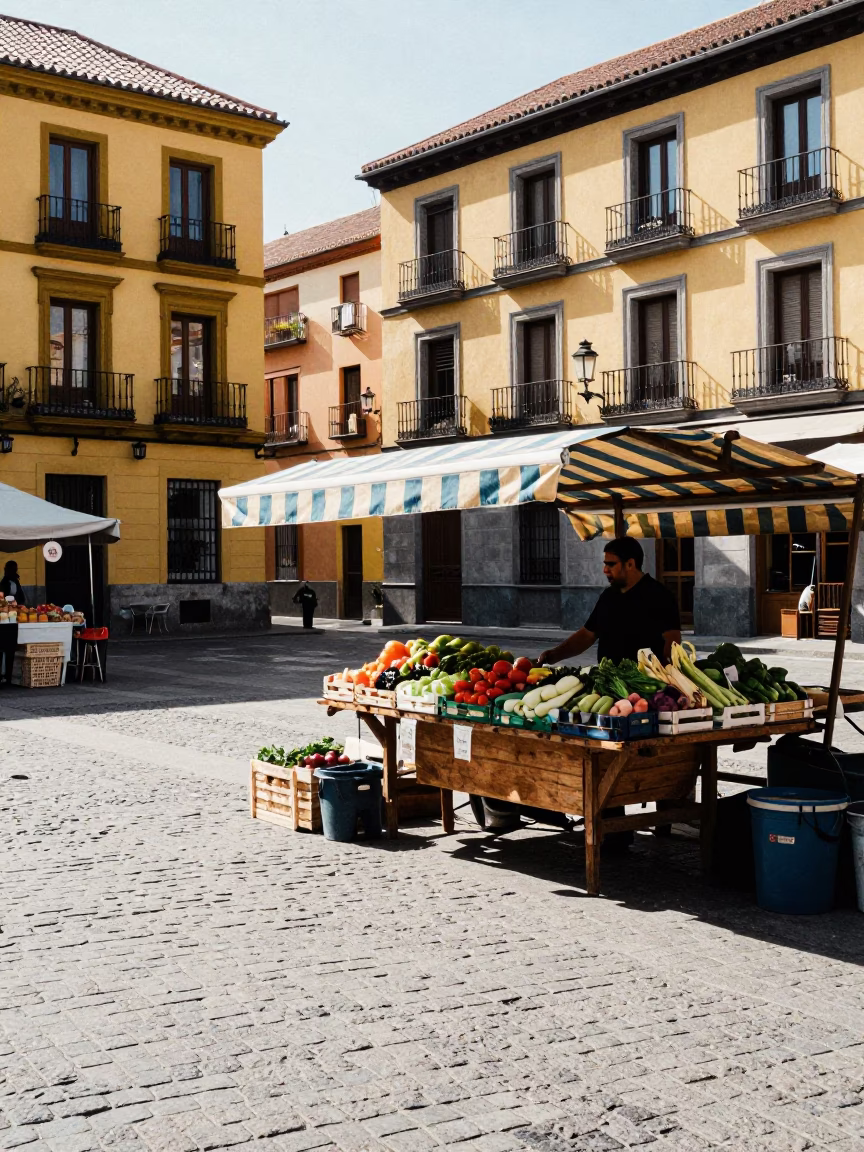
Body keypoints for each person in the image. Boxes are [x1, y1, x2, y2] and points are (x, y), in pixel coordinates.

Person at [539, 536, 681, 667]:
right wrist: (554, 655)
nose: (605, 570)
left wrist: (665, 679)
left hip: (644, 686)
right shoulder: (608, 595)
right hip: (608, 681)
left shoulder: (660, 596)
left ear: (630, 564)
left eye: (611, 564)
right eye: (605, 564)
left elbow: (673, 642)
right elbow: (588, 635)